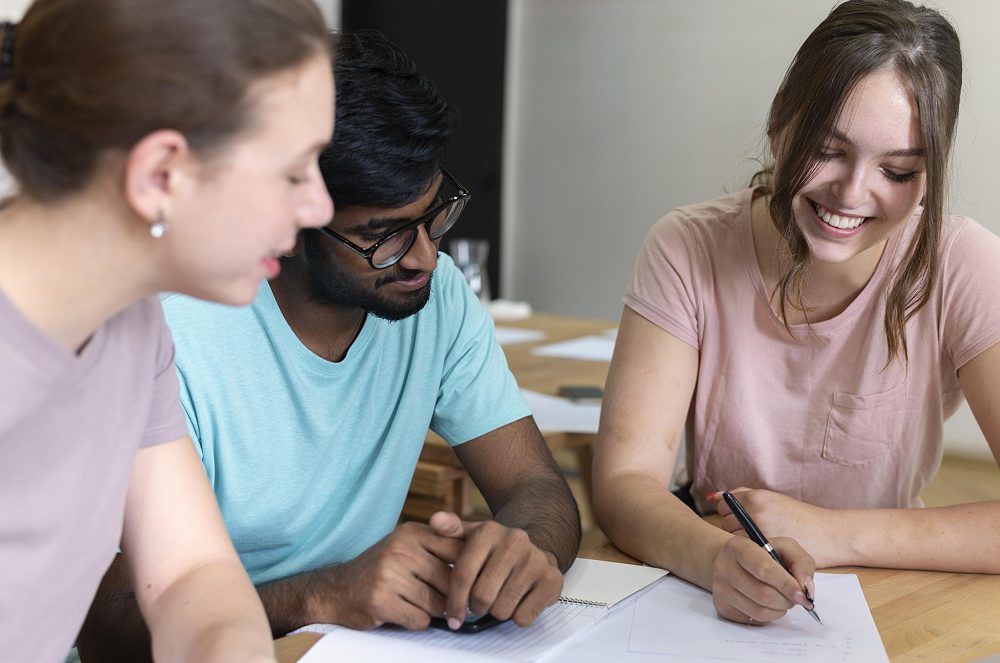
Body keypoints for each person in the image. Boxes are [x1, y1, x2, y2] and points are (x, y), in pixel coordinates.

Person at [78, 30, 581, 660]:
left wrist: (516, 549)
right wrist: (320, 596)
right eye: (383, 234)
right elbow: (107, 629)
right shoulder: (169, 333)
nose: (425, 255)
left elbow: (536, 484)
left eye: (434, 216)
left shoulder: (437, 295)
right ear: (289, 217)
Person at [593, 0, 1000, 628]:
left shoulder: (962, 263)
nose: (852, 192)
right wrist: (716, 557)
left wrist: (833, 533)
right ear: (781, 126)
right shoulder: (687, 247)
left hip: (894, 598)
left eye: (897, 170)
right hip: (717, 594)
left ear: (928, 176)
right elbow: (624, 481)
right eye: (829, 151)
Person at [0, 1, 335, 661]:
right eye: (294, 171)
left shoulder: (130, 321)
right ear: (161, 175)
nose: (320, 205)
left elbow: (192, 574)